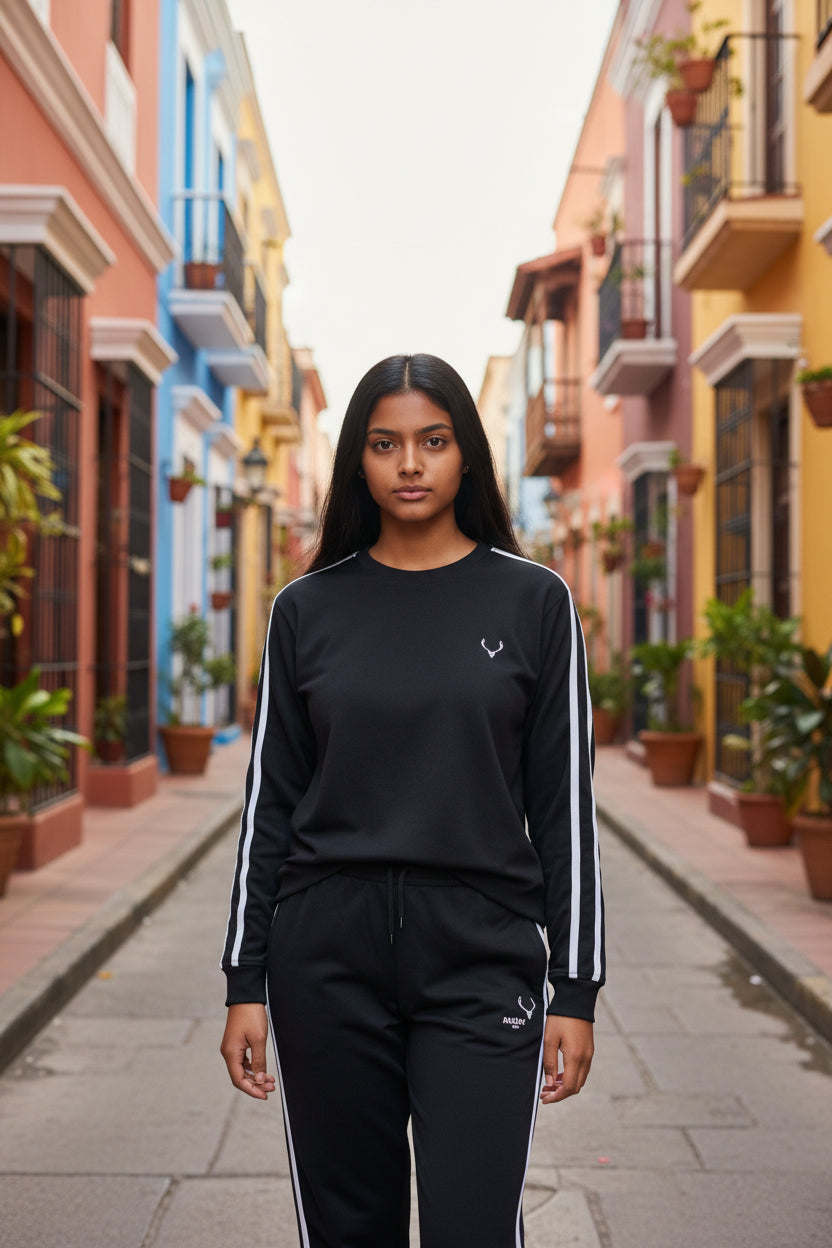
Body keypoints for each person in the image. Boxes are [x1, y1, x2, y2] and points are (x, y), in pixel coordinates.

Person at [220, 353, 604, 1248]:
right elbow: (268, 806)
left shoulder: (535, 601)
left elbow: (565, 813)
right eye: (385, 443)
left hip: (480, 958)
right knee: (349, 1230)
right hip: (326, 959)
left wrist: (575, 990)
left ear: (467, 453)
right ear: (358, 458)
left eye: (434, 441)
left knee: (474, 1227)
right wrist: (246, 981)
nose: (411, 464)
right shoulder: (305, 609)